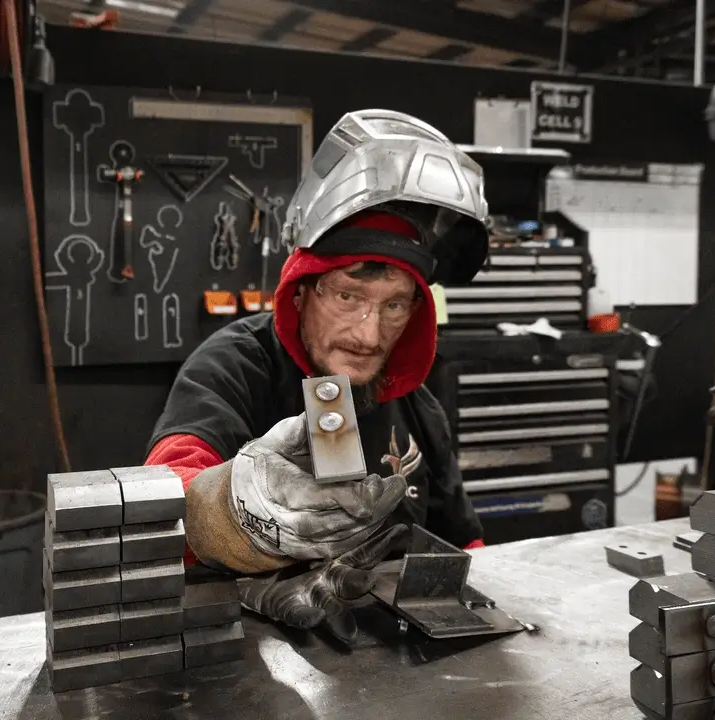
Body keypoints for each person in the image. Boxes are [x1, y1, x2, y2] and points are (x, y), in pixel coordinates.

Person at [145, 109, 491, 641]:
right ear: (301, 291)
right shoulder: (234, 364)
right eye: (349, 296)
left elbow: (464, 542)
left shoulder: (418, 406)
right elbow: (168, 492)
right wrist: (239, 515)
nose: (370, 334)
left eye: (395, 306)